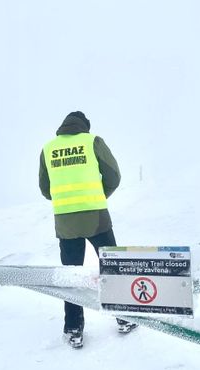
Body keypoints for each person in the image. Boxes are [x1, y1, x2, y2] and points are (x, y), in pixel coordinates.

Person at [39, 111, 137, 348]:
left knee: (70, 275)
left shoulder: (48, 149)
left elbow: (45, 188)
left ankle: (73, 329)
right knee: (113, 265)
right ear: (85, 126)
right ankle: (125, 317)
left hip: (65, 222)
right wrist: (97, 196)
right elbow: (114, 176)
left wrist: (67, 201)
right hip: (97, 218)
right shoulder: (92, 142)